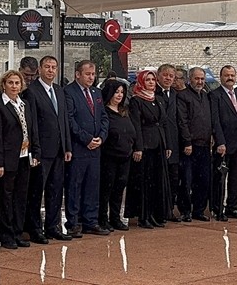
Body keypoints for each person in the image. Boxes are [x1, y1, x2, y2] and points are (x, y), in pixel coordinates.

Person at [0, 70, 39, 249]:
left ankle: (18, 232)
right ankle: (6, 235)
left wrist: (36, 152)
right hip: (7, 159)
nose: (14, 86)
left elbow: (32, 130)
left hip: (25, 157)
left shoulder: (24, 104)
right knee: (6, 198)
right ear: (4, 85)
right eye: (10, 83)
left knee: (20, 197)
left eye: (17, 83)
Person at [24, 55, 71, 242]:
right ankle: (35, 228)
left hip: (59, 150)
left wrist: (67, 146)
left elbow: (64, 120)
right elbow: (32, 124)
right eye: (47, 67)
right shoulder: (32, 92)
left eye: (54, 67)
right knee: (37, 192)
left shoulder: (59, 91)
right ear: (40, 70)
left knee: (56, 190)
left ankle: (53, 227)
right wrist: (35, 150)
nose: (51, 70)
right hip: (41, 151)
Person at [64, 60, 109, 236]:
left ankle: (90, 221)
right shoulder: (69, 92)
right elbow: (70, 120)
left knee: (92, 186)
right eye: (87, 74)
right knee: (75, 186)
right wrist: (86, 139)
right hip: (79, 148)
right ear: (78, 74)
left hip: (96, 149)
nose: (91, 77)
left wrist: (101, 137)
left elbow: (104, 117)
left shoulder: (96, 92)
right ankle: (73, 223)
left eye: (93, 74)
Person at [127, 70, 167, 228]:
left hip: (158, 144)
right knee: (145, 181)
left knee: (156, 181)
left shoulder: (157, 99)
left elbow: (162, 123)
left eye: (153, 80)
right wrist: (138, 147)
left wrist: (167, 145)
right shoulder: (136, 100)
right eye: (148, 80)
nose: (151, 82)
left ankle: (155, 214)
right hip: (145, 146)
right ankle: (144, 216)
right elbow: (136, 124)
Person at [210, 65, 237, 221]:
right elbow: (215, 121)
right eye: (227, 75)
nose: (230, 78)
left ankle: (233, 207)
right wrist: (220, 142)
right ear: (221, 77)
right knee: (220, 178)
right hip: (224, 144)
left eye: (232, 75)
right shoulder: (214, 95)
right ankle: (217, 208)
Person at [99, 78, 137, 231]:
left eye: (122, 92)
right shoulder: (104, 111)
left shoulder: (124, 111)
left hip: (125, 156)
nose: (119, 95)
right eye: (116, 92)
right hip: (109, 156)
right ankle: (102, 218)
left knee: (119, 189)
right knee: (106, 189)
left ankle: (115, 218)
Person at [178, 67, 213, 221]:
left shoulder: (205, 96)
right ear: (190, 79)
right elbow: (182, 121)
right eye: (196, 78)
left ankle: (199, 210)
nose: (199, 82)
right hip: (189, 146)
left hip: (205, 145)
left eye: (202, 79)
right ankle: (185, 211)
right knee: (187, 180)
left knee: (203, 180)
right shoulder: (183, 96)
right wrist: (187, 141)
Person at [155, 64, 184, 222]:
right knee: (159, 178)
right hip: (158, 142)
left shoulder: (174, 94)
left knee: (173, 178)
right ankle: (158, 211)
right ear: (158, 76)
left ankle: (169, 209)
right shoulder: (153, 92)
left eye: (171, 76)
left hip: (174, 143)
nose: (168, 78)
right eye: (165, 75)